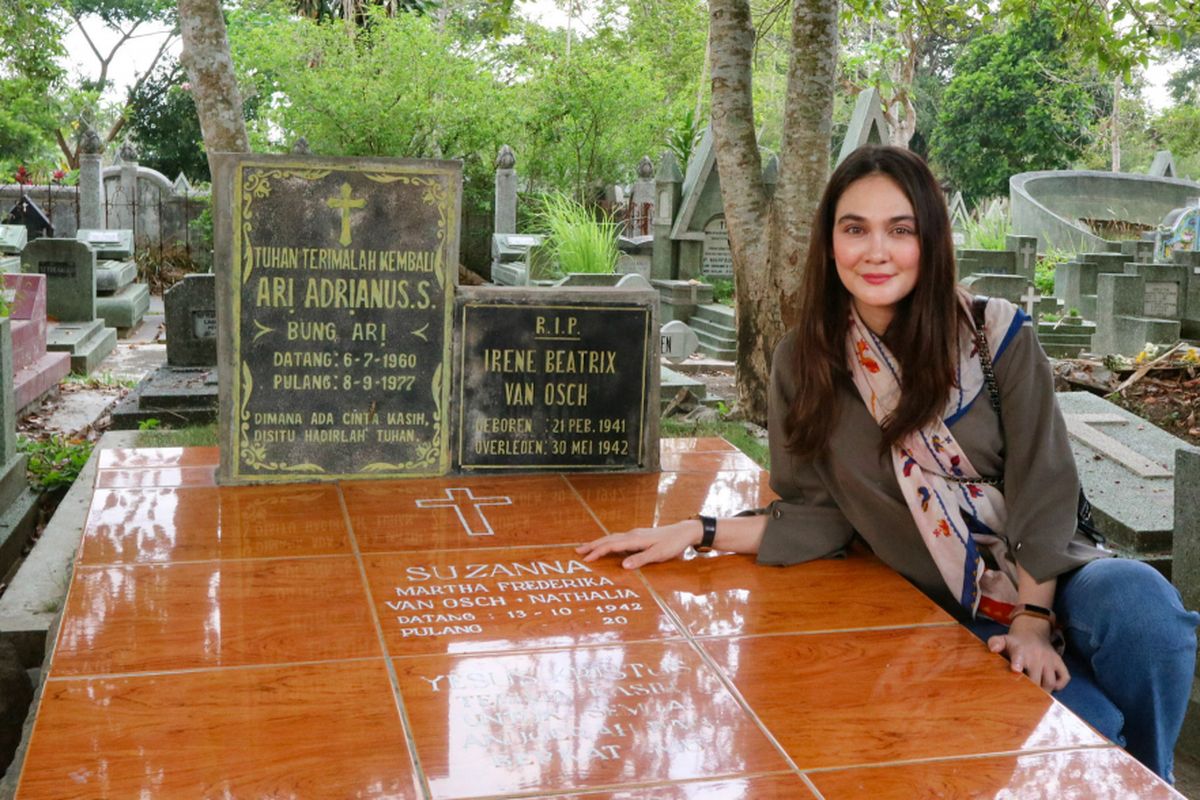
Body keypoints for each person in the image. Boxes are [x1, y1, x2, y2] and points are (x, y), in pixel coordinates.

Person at [577, 145, 1199, 783]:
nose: (877, 251)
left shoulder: (995, 336)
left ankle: (1157, 781)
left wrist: (1035, 622)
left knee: (1145, 607)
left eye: (900, 230)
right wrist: (699, 531)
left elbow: (1045, 483)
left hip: (1053, 577)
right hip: (951, 598)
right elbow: (816, 515)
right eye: (856, 229)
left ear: (929, 239)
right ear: (830, 243)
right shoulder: (805, 363)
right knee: (1093, 720)